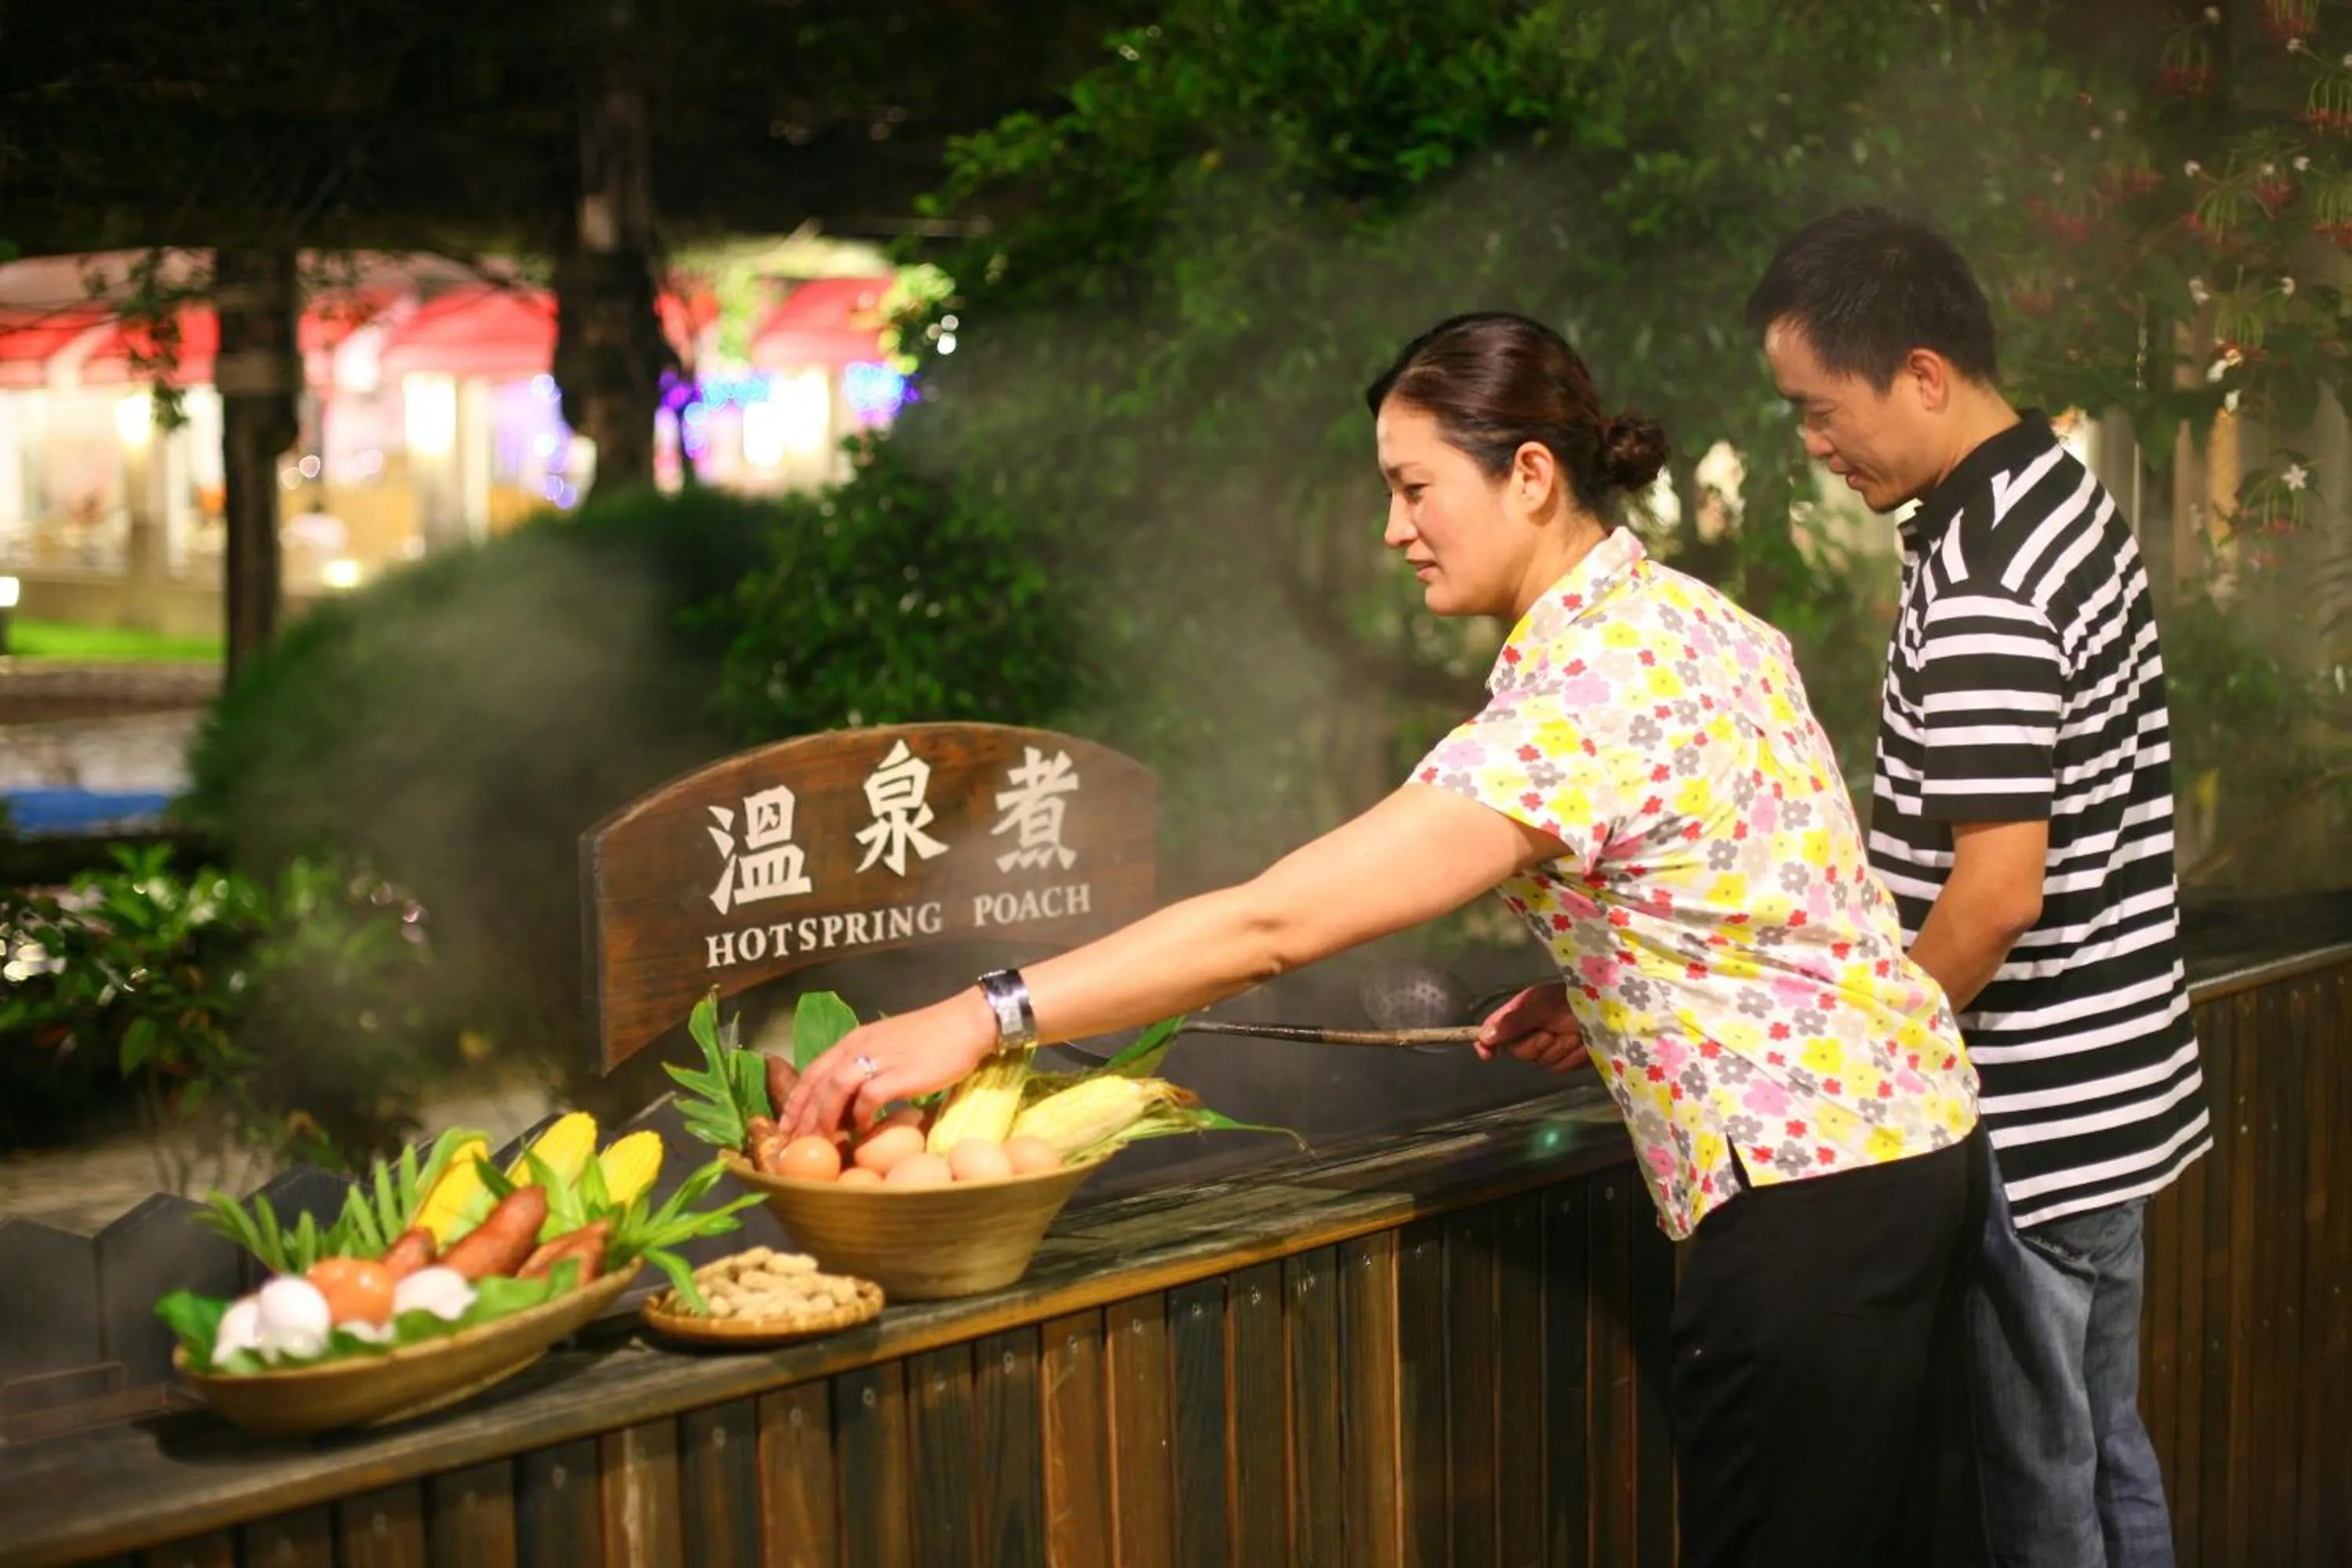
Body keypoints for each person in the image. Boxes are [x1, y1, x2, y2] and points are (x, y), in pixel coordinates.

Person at [785, 310, 1985, 1566]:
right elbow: (1773, 887)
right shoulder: (1700, 623)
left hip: (1804, 1217)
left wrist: (982, 1012)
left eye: (1415, 488)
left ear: (1529, 473)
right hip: (1914, 1151)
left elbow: (1269, 925)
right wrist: (1616, 991)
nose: (1392, 529)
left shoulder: (1577, 702)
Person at [1748, 209, 2212, 1568]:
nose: (1815, 447)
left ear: (1926, 374)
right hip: (2115, 1094)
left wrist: (1872, 1058)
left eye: (1822, 412)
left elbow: (1998, 891)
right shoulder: (2057, 494)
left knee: (2036, 1491)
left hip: (2034, 1115)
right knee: (2103, 1439)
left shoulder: (1984, 582)